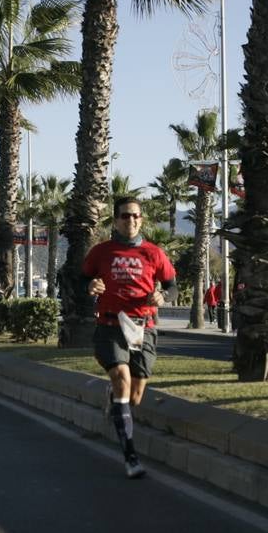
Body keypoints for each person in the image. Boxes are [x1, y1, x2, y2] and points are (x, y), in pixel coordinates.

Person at [85, 196, 177, 479]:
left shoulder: (153, 253)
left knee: (134, 396)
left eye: (136, 216)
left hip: (143, 327)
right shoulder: (101, 252)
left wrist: (163, 295)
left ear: (142, 219)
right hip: (111, 325)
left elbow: (172, 286)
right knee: (122, 378)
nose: (131, 220)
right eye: (125, 216)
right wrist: (91, 284)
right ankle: (130, 457)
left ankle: (113, 396)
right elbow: (79, 278)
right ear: (115, 220)